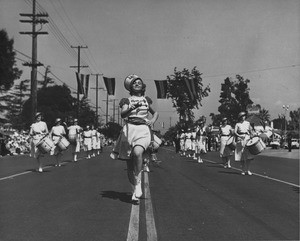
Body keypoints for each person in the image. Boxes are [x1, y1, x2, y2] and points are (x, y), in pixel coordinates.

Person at [110, 74, 159, 202]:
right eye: (134, 83)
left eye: (139, 82)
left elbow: (155, 112)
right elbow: (123, 114)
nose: (137, 84)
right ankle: (134, 189)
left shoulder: (146, 100)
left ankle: (138, 184)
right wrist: (130, 108)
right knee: (130, 164)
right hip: (129, 130)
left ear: (143, 86)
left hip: (143, 129)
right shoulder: (127, 100)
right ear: (130, 87)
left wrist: (152, 120)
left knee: (138, 153)